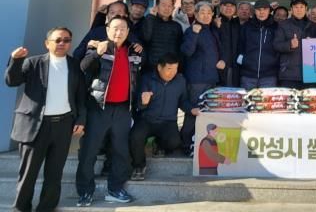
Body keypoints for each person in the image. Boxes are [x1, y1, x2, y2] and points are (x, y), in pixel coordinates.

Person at [5, 28, 86, 212]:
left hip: (63, 125)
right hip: (35, 125)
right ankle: (21, 208)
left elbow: (81, 96)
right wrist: (16, 60)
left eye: (66, 40)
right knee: (28, 174)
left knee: (54, 174)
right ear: (47, 43)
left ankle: (46, 208)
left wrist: (81, 119)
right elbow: (12, 81)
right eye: (57, 40)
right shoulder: (33, 63)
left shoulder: (75, 65)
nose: (62, 43)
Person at [76, 16, 144, 206]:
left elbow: (138, 75)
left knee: (120, 151)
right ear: (107, 30)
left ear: (128, 32)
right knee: (89, 151)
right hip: (99, 108)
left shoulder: (133, 51)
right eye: (115, 28)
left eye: (123, 29)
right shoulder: (98, 48)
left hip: (123, 109)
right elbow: (83, 67)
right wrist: (96, 53)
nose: (118, 32)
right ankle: (85, 192)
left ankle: (115, 189)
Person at [129, 54, 198, 180]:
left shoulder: (180, 81)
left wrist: (191, 109)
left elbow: (183, 101)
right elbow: (138, 105)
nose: (172, 73)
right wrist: (143, 102)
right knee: (135, 136)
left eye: (175, 69)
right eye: (169, 69)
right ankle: (139, 166)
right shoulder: (147, 79)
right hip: (147, 119)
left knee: (174, 142)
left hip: (168, 121)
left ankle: (159, 144)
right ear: (159, 67)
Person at [179, 1, 224, 155]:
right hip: (196, 79)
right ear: (196, 14)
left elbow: (216, 50)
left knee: (208, 113)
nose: (206, 15)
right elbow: (187, 51)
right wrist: (194, 33)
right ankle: (186, 145)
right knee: (193, 112)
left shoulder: (212, 30)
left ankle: (201, 144)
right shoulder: (191, 30)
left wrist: (221, 61)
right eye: (202, 12)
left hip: (212, 78)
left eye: (209, 13)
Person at [273, 0, 316, 89]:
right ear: (291, 9)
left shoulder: (314, 26)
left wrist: (314, 43)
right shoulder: (283, 25)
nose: (299, 10)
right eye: (296, 7)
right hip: (289, 75)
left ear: (306, 9)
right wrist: (290, 45)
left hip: (310, 73)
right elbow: (276, 45)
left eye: (301, 7)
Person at [237, 0, 279, 90]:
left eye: (265, 9)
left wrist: (274, 61)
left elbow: (279, 47)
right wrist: (243, 60)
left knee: (266, 99)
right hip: (248, 75)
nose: (261, 12)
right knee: (247, 99)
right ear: (254, 11)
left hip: (269, 75)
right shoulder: (246, 26)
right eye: (259, 9)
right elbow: (240, 46)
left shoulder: (276, 27)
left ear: (269, 11)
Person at [142, 0, 183, 72]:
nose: (167, 8)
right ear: (157, 6)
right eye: (163, 5)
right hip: (151, 68)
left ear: (173, 8)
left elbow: (179, 50)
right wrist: (151, 17)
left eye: (169, 6)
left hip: (170, 68)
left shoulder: (177, 26)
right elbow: (146, 38)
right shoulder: (149, 20)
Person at [215, 0, 241, 87]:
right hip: (219, 66)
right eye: (225, 5)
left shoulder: (236, 23)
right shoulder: (214, 22)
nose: (229, 8)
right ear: (220, 7)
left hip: (235, 66)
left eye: (232, 6)